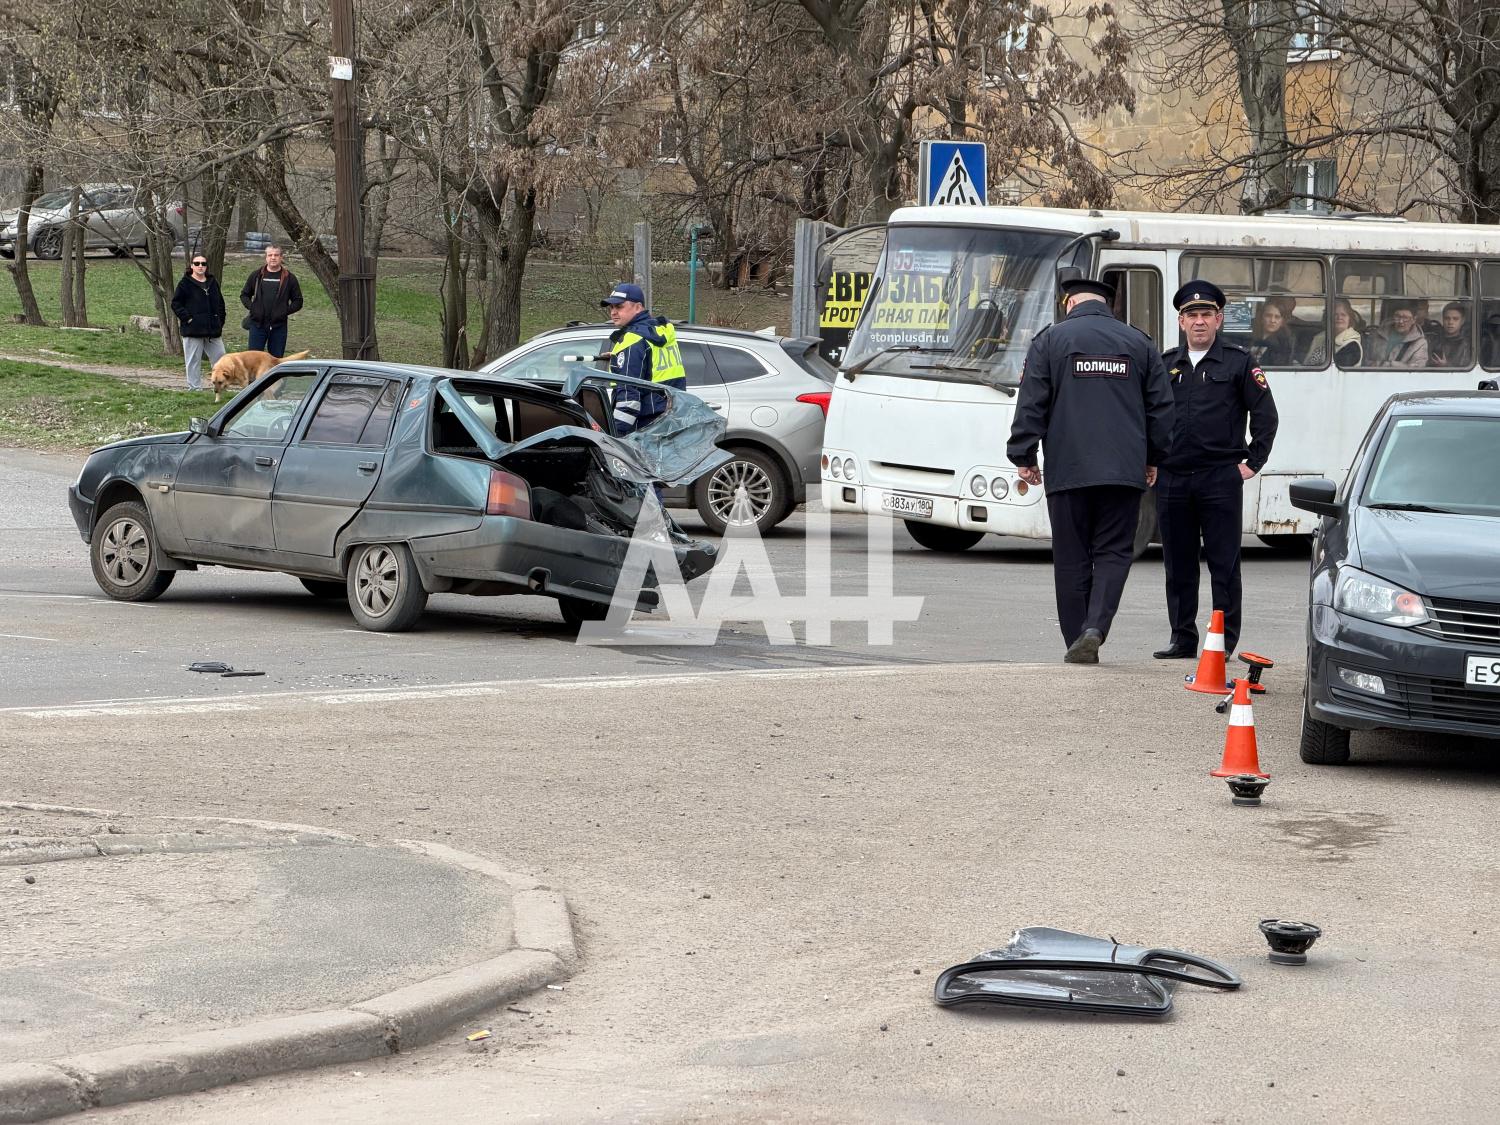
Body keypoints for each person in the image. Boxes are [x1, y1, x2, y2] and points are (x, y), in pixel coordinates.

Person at [1006, 269, 1175, 665]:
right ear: (1108, 305)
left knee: (1071, 556)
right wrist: (1153, 458)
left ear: (1069, 303)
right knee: (1114, 552)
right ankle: (1096, 627)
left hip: (1068, 471)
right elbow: (1162, 410)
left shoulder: (1050, 340)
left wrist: (1024, 455)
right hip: (1123, 472)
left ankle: (1076, 638)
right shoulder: (1140, 343)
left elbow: (1032, 402)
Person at [1152, 282, 1279, 660]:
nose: (1199, 322)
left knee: (1223, 564)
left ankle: (1223, 641)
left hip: (1219, 477)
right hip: (1173, 477)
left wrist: (1252, 463)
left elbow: (1266, 416)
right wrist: (1150, 460)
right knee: (1178, 564)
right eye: (1192, 315)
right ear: (1180, 321)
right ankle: (1182, 637)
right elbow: (1150, 417)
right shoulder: (1165, 364)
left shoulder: (1239, 363)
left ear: (1219, 319)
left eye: (1206, 314)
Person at [599, 282, 686, 435]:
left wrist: (615, 436)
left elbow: (628, 399)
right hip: (672, 419)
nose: (613, 312)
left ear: (638, 307)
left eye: (619, 307)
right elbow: (652, 368)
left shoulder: (632, 342)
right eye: (611, 307)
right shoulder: (660, 331)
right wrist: (620, 359)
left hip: (644, 428)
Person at [171, 253, 225, 391]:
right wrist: (188, 319)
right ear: (192, 266)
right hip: (193, 330)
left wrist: (219, 320)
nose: (200, 266)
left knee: (221, 360)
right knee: (193, 361)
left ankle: (221, 387)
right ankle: (195, 388)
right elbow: (176, 304)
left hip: (212, 330)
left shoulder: (212, 283)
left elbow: (220, 303)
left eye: (203, 264)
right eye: (197, 263)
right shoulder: (185, 284)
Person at [239, 244, 304, 357]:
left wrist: (283, 311)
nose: (273, 258)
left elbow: (298, 301)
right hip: (257, 325)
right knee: (253, 359)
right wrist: (253, 308)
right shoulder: (256, 275)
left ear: (281, 257)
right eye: (270, 255)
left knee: (276, 360)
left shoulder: (289, 278)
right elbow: (244, 295)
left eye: (276, 255)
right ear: (266, 257)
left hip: (278, 326)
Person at [1373, 302, 1429, 367]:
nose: (1401, 321)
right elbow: (1367, 361)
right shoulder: (1379, 334)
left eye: (1405, 318)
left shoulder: (1420, 343)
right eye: (1397, 317)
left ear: (1414, 319)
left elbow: (1417, 368)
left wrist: (1390, 364)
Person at [1250, 301, 1296, 366]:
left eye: (1277, 317)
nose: (1272, 320)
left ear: (1282, 321)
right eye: (1268, 316)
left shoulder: (1284, 342)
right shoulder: (1249, 335)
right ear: (1261, 318)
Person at [1430, 301, 1472, 367]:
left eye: (1455, 319)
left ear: (1462, 321)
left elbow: (1465, 370)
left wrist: (1447, 366)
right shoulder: (1434, 340)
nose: (1450, 322)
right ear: (1442, 319)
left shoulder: (1466, 345)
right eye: (1447, 318)